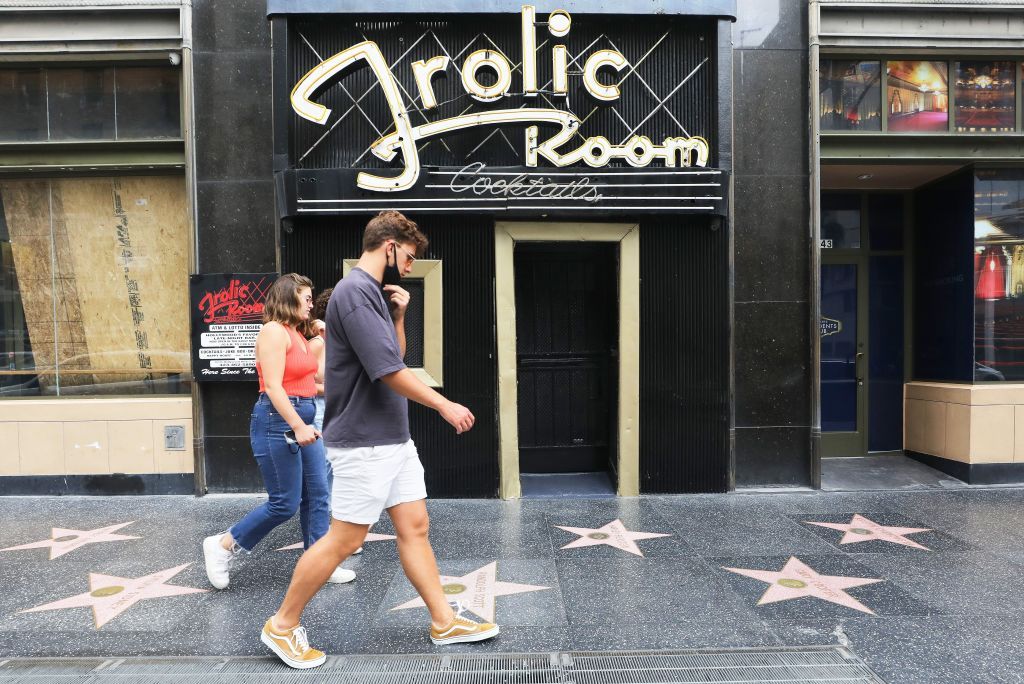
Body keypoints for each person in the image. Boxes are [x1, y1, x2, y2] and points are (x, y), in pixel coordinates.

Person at [260, 211, 498, 669]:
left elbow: (393, 355)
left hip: (391, 438)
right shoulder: (353, 293)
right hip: (364, 442)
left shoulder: (370, 295)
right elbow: (388, 372)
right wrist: (443, 405)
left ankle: (444, 621)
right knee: (343, 540)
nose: (410, 264)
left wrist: (400, 315)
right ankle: (283, 625)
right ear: (389, 245)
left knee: (415, 527)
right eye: (409, 255)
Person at [202, 274, 355, 589]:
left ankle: (319, 562)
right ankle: (223, 545)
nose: (312, 304)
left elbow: (304, 381)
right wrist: (298, 426)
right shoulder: (272, 332)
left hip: (302, 419)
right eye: (307, 298)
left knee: (317, 494)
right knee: (284, 502)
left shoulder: (295, 333)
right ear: (288, 297)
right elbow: (273, 386)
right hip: (277, 422)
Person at [309, 288, 363, 556]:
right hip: (319, 410)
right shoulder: (318, 344)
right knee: (325, 469)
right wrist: (333, 387)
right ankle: (329, 536)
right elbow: (303, 382)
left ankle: (337, 534)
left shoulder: (337, 341)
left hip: (337, 409)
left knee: (336, 470)